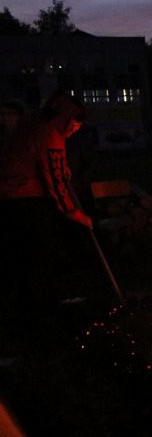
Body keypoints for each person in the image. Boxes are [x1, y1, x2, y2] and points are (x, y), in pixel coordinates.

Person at [0, 92, 92, 318]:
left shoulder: (39, 122)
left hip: (15, 195)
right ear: (66, 118)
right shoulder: (49, 132)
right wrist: (75, 213)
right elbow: (56, 181)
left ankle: (28, 304)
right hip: (23, 198)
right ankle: (42, 308)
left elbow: (56, 165)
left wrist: (63, 167)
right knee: (38, 252)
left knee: (27, 255)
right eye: (74, 125)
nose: (75, 130)